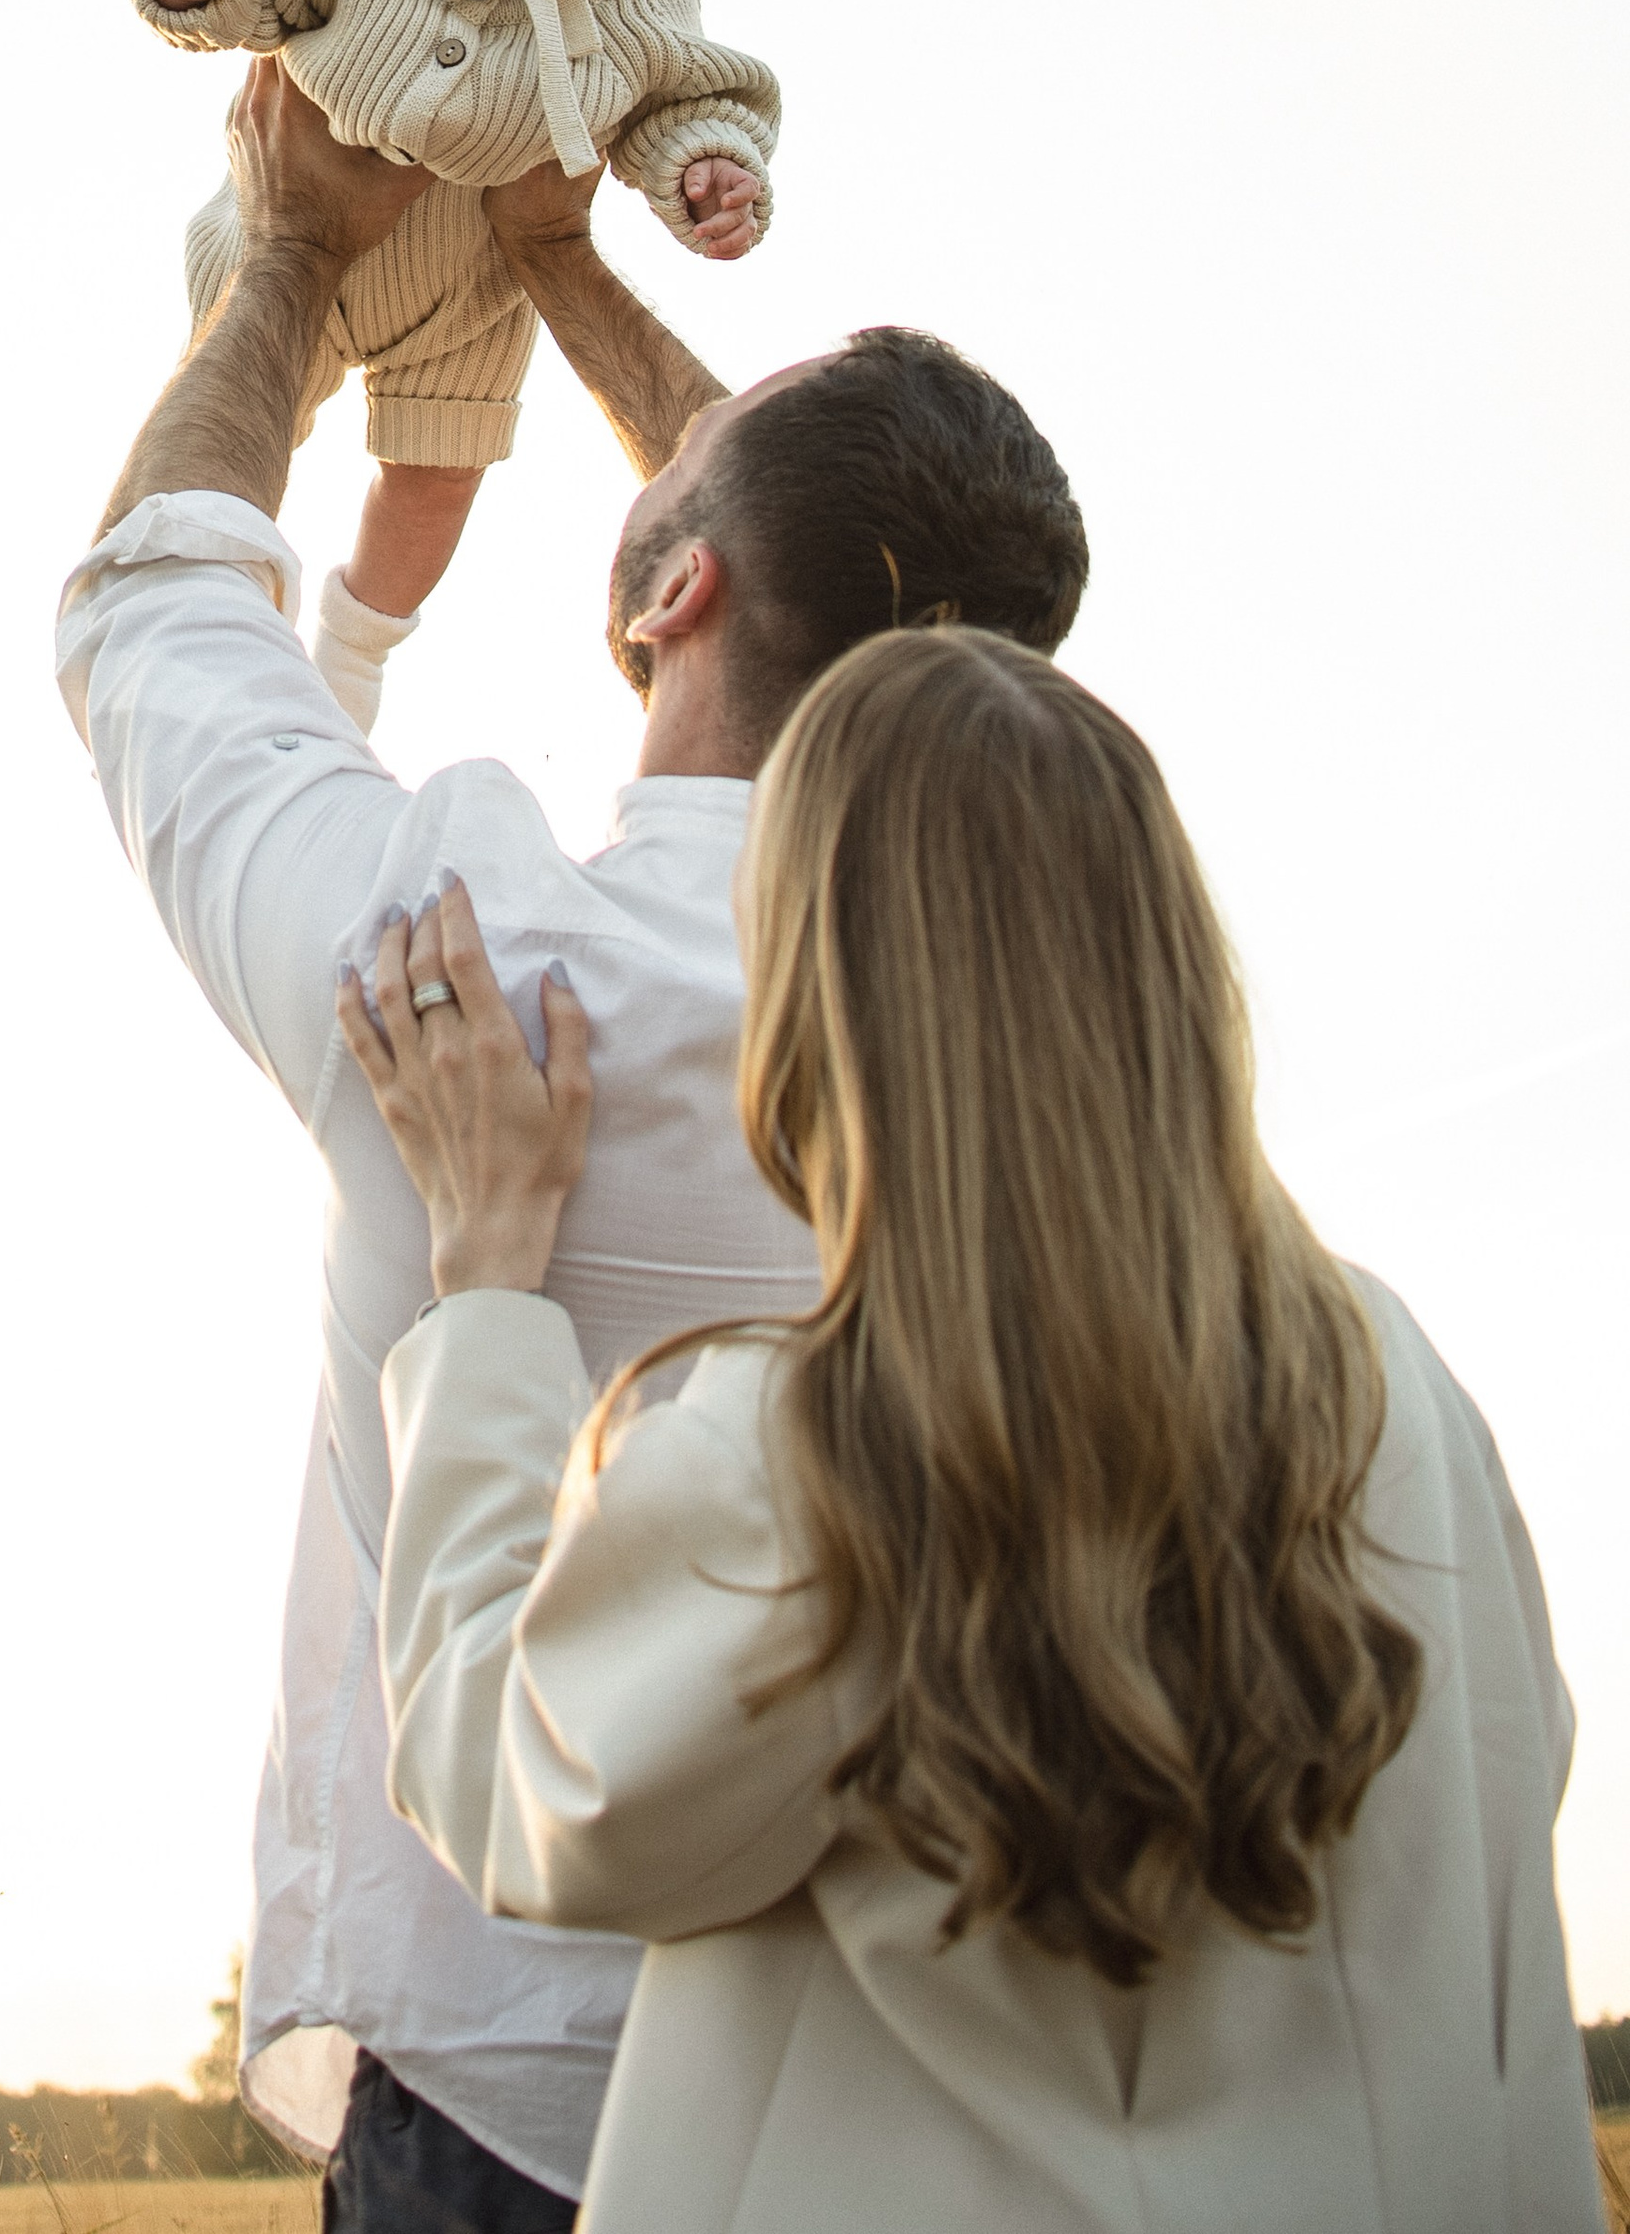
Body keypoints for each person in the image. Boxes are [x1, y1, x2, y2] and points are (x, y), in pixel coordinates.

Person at [55, 62, 1088, 2229]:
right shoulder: (1070, 1023)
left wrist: (292, 254)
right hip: (955, 2083)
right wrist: (555, 259)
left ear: (672, 590)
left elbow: (153, 606)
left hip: (511, 2098)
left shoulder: (462, 960)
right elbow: (843, 566)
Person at [341, 633, 1605, 2234]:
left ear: (822, 988)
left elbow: (515, 1777)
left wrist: (484, 1290)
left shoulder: (823, 1447)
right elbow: (1517, 1770)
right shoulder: (1396, 1382)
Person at [129, 0, 777, 727]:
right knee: (239, 423)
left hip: (472, 293)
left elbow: (685, 90)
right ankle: (219, 615)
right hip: (284, 232)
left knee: (436, 481)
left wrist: (703, 169)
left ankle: (357, 642)